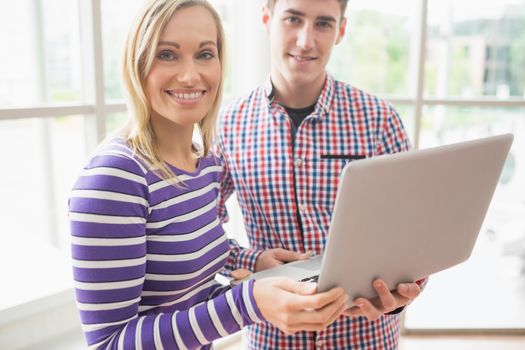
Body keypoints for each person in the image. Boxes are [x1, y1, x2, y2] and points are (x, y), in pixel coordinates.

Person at [68, 0, 351, 348]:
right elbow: (109, 343)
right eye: (167, 54)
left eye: (205, 54)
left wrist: (255, 264)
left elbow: (189, 284)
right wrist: (248, 302)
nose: (190, 75)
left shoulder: (204, 164)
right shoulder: (115, 179)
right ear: (137, 63)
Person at [216, 0, 426, 348]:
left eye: (323, 24)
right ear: (267, 19)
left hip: (365, 336)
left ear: (341, 30)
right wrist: (252, 261)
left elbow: (414, 230)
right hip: (273, 337)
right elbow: (201, 232)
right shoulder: (230, 124)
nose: (305, 40)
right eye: (293, 19)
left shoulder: (378, 120)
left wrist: (407, 288)